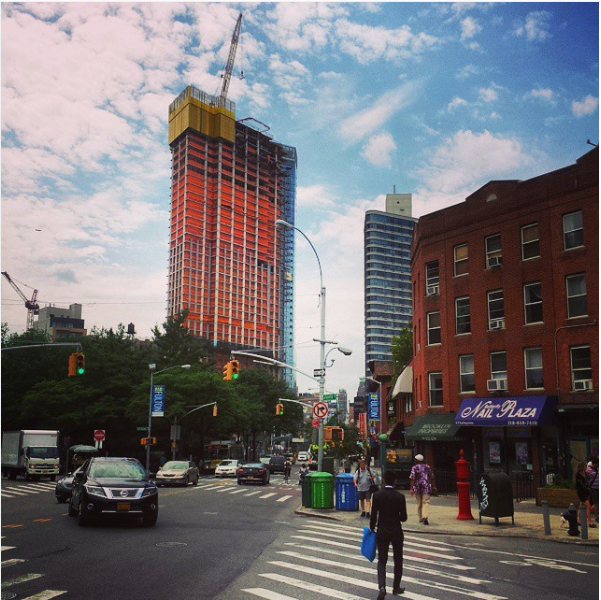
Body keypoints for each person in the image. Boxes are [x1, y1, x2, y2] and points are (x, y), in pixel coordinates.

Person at [370, 469, 408, 599]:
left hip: (382, 530)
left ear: (384, 480)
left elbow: (373, 515)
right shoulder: (400, 497)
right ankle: (396, 587)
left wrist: (371, 529)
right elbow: (404, 517)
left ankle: (382, 586)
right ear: (395, 481)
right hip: (396, 531)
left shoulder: (377, 495)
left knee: (382, 560)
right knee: (398, 559)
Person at [408, 454, 436, 525]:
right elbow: (432, 476)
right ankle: (425, 516)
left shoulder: (414, 467)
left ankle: (420, 517)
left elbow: (412, 478)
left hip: (417, 487)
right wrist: (433, 486)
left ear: (417, 460)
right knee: (426, 502)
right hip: (426, 486)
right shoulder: (427, 467)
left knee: (419, 503)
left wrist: (411, 488)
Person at [575, 462, 595, 528]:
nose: (586, 467)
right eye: (584, 466)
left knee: (581, 506)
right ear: (582, 467)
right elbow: (581, 484)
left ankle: (578, 520)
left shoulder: (585, 474)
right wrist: (587, 488)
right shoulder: (578, 475)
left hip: (586, 492)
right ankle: (590, 522)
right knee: (588, 507)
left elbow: (588, 481)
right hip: (581, 492)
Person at [586, 456, 599, 523]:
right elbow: (587, 478)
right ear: (595, 463)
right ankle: (597, 517)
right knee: (596, 503)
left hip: (598, 487)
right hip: (593, 488)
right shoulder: (589, 469)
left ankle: (587, 512)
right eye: (598, 463)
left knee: (597, 503)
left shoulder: (597, 469)